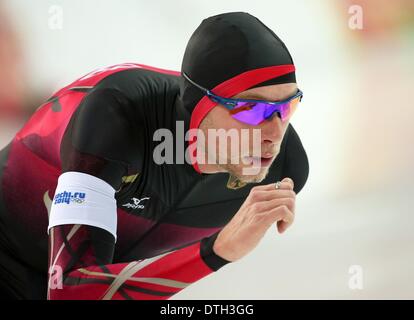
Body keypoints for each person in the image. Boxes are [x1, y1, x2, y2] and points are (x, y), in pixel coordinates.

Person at [0, 12, 309, 300]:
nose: (274, 131)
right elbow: (68, 290)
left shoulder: (286, 167)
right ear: (199, 105)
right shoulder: (118, 117)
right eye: (253, 109)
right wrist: (216, 251)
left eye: (287, 106)